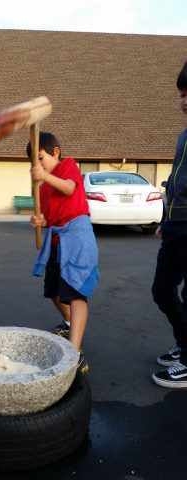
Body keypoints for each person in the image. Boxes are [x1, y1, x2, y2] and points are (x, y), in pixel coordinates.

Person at [27, 131, 99, 373]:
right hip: (57, 241)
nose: (37, 165)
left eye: (41, 158)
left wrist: (45, 175)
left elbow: (69, 189)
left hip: (77, 238)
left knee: (75, 293)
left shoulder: (67, 166)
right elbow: (49, 217)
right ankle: (69, 322)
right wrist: (39, 221)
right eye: (33, 162)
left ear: (55, 152)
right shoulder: (44, 188)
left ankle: (74, 352)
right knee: (53, 291)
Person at [152, 60, 187, 388]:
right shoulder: (182, 136)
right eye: (181, 94)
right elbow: (173, 184)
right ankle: (184, 342)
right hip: (175, 225)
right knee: (161, 290)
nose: (185, 101)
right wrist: (166, 219)